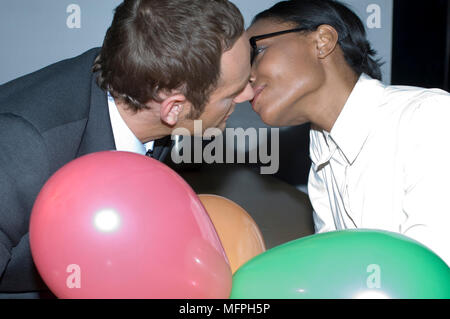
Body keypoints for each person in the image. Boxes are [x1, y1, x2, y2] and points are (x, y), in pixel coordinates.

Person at [0, 0, 254, 298]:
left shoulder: (144, 91)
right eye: (233, 92)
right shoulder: (23, 145)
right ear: (173, 109)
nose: (249, 93)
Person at [247, 0, 450, 265]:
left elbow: (430, 273)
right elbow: (342, 272)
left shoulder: (428, 117)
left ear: (323, 41)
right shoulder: (322, 151)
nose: (247, 77)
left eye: (258, 51)